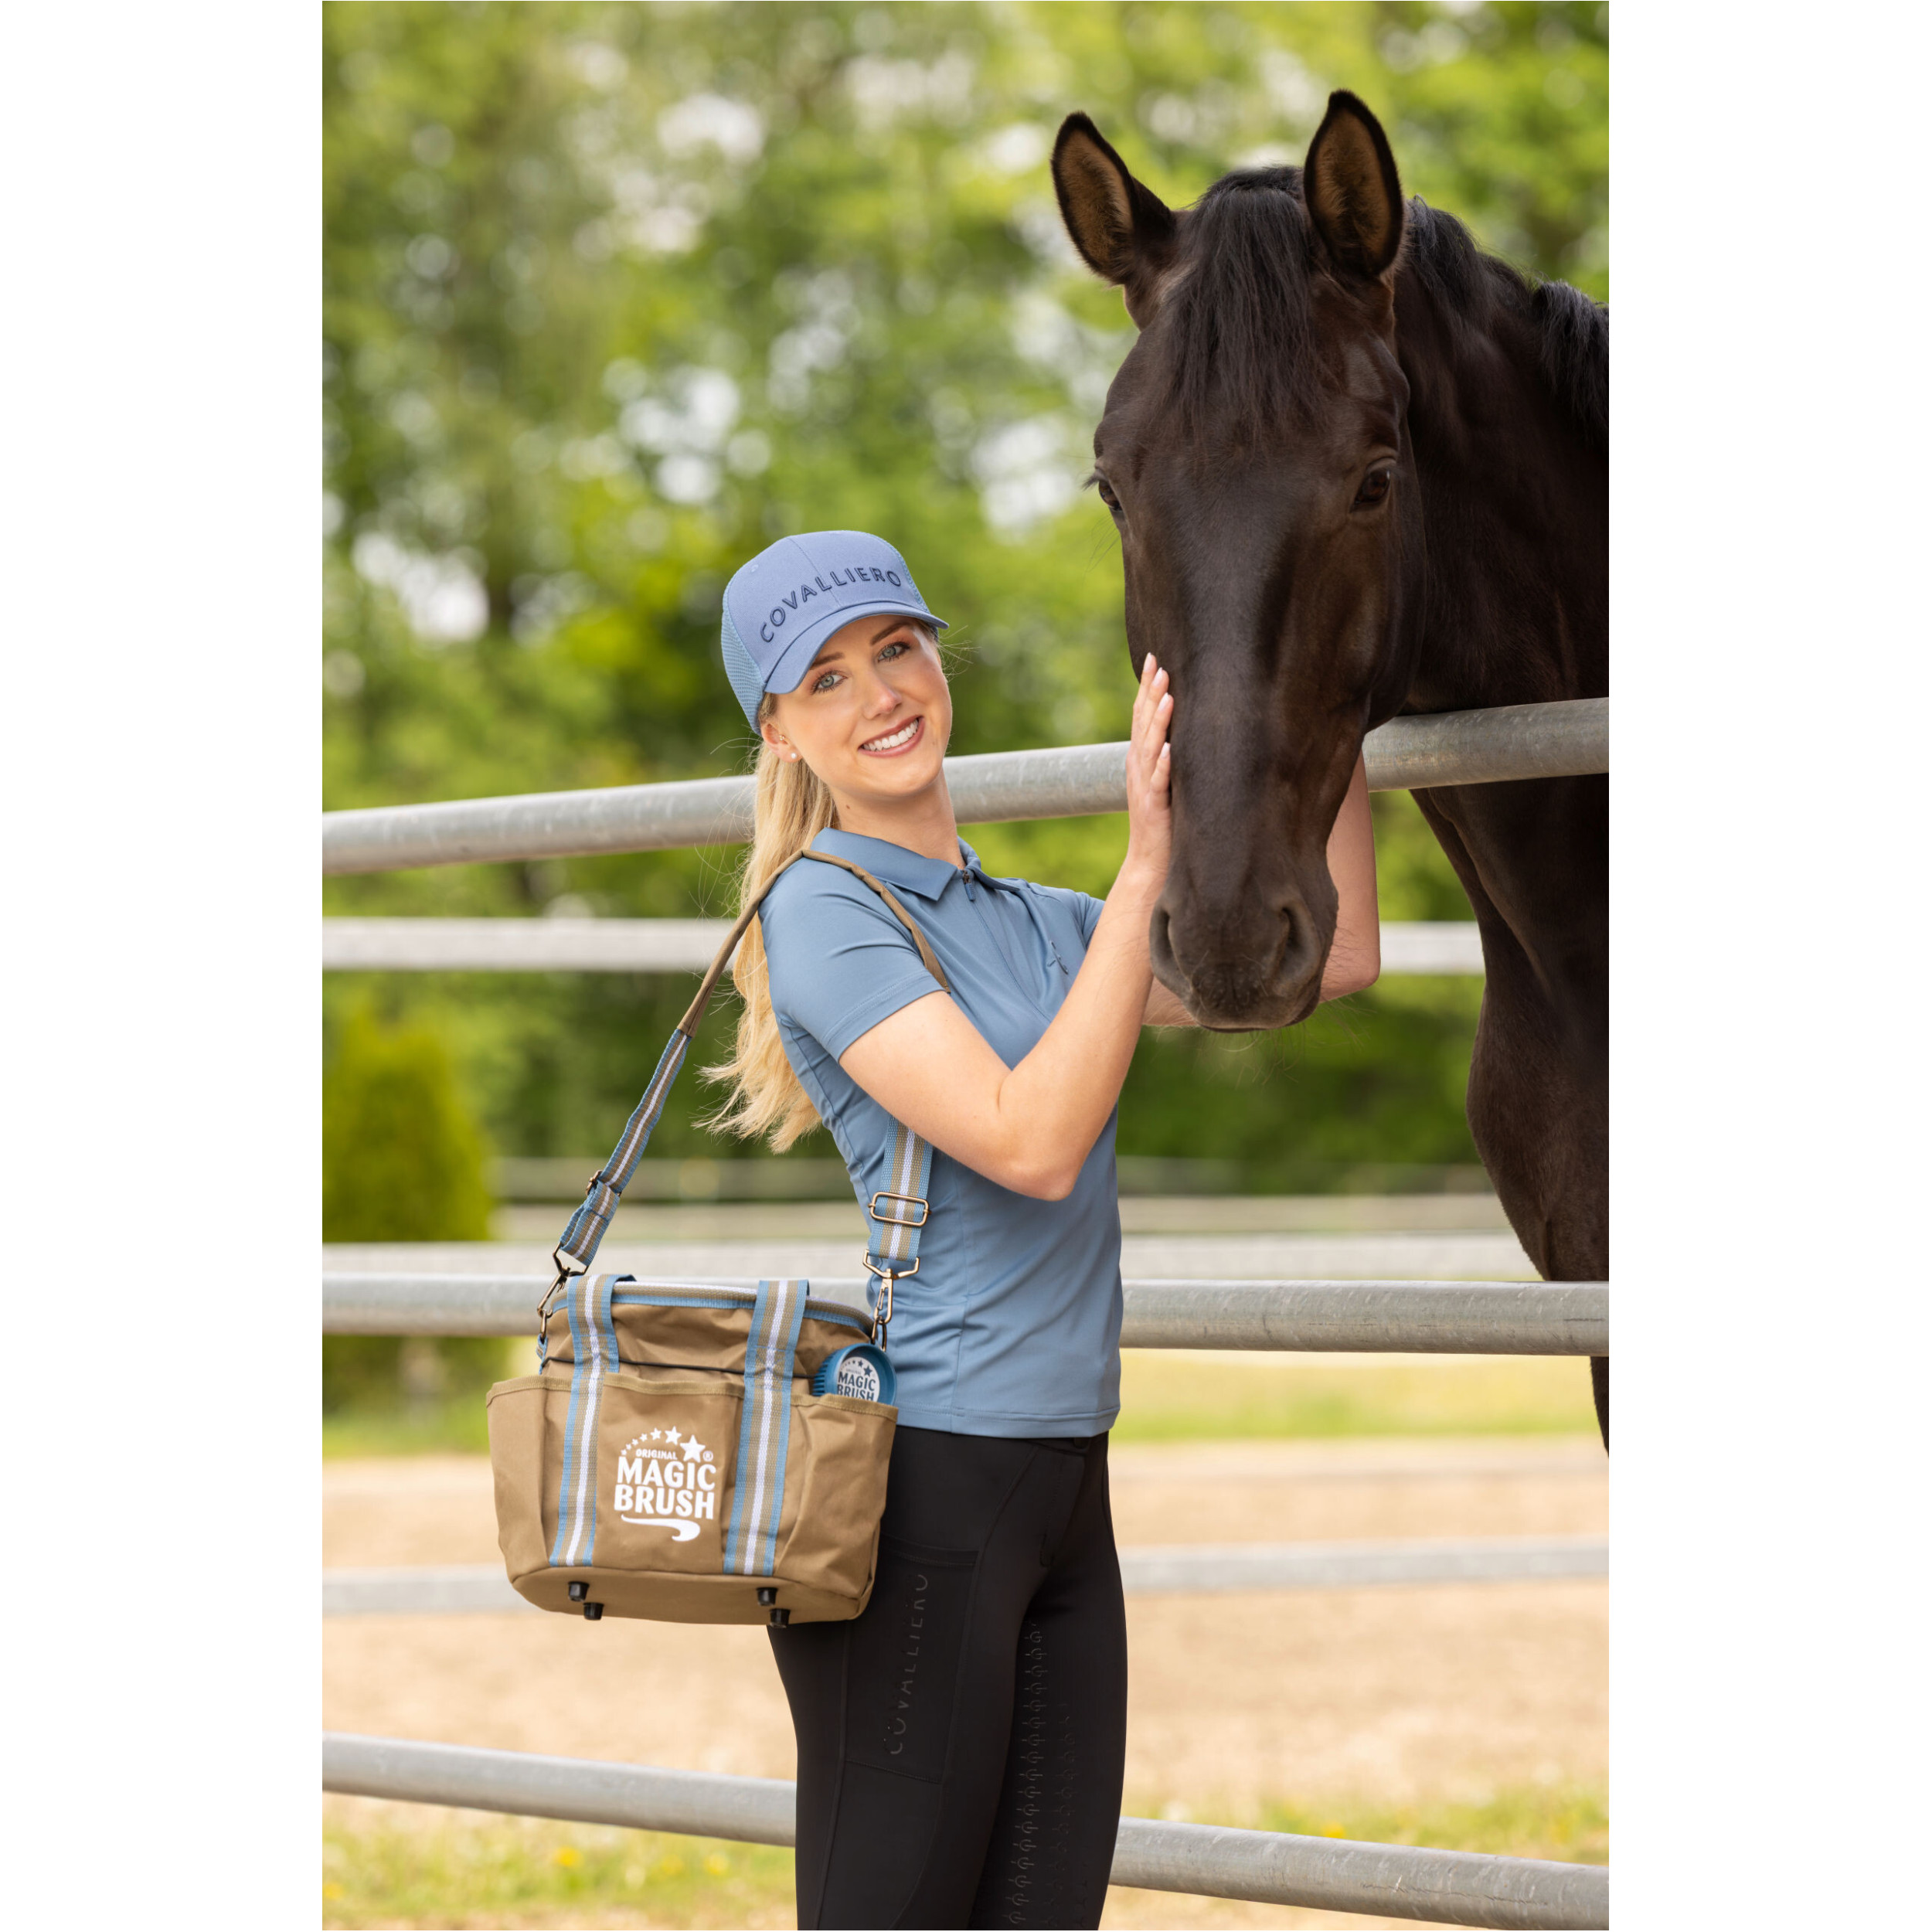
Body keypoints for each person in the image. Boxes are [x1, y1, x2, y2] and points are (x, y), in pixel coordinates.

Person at [705, 529, 1380, 1929]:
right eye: (825, 679)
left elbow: (1342, 958)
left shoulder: (1032, 921)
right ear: (779, 728)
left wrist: (1329, 697)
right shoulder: (823, 909)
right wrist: (1144, 873)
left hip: (1066, 1486)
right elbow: (1029, 1137)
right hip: (931, 1493)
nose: (879, 693)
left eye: (896, 648)